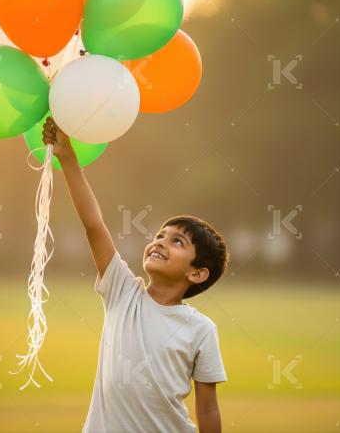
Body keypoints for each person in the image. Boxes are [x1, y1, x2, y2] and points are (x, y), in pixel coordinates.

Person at [42, 117, 230, 432]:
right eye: (160, 235)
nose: (160, 242)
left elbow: (208, 408)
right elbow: (93, 224)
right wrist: (68, 157)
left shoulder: (201, 329)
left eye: (177, 241)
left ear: (197, 274)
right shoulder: (122, 292)